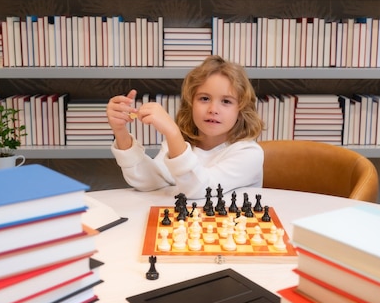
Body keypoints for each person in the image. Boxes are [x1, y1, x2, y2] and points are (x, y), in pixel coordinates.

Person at [106, 55, 264, 199]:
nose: (213, 109)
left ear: (241, 110)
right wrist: (120, 131)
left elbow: (199, 189)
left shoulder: (249, 154)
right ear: (190, 104)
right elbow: (150, 181)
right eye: (204, 98)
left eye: (226, 101)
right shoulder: (178, 145)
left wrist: (173, 132)